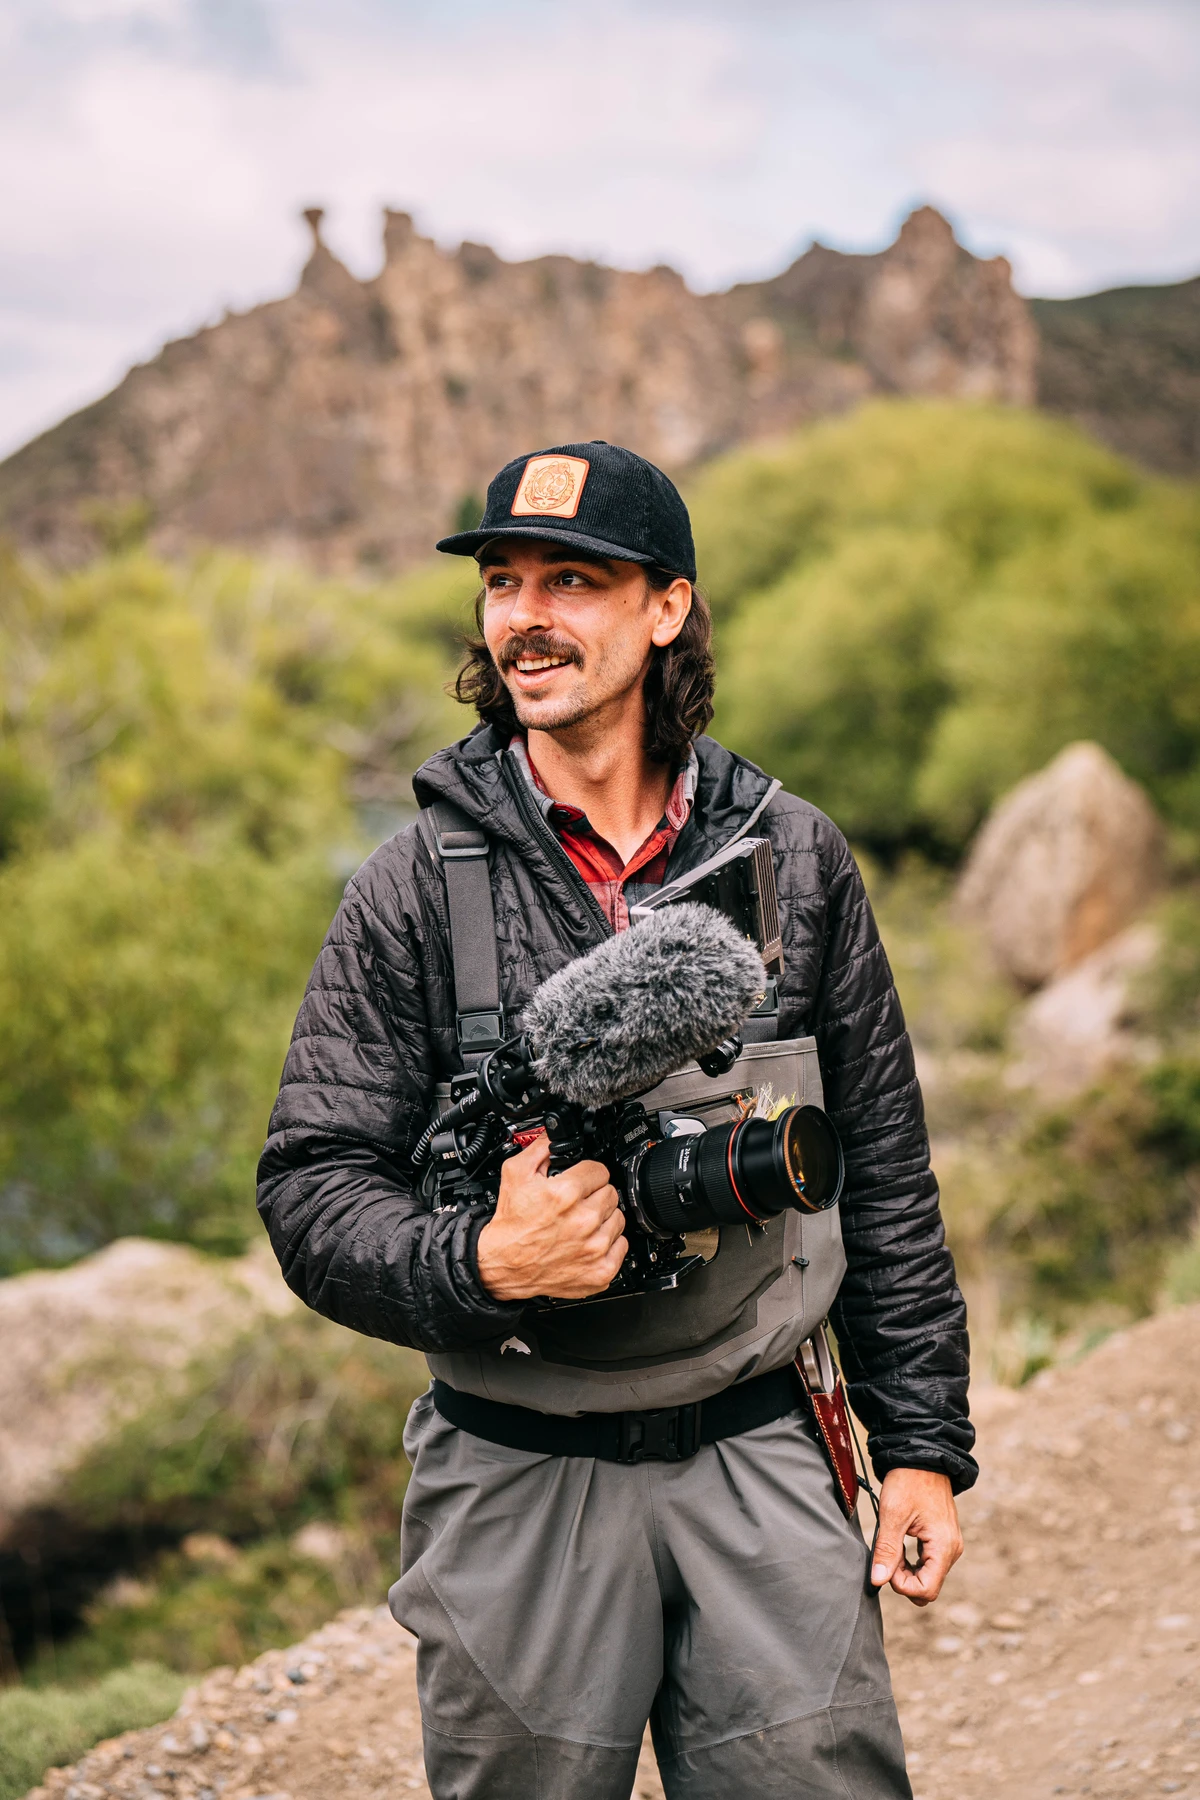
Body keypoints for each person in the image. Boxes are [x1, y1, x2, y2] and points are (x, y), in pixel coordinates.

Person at [257, 441, 976, 1799]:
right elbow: (309, 1188)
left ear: (667, 610)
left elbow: (881, 1171)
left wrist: (925, 1447)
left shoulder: (797, 858)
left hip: (768, 1447)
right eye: (505, 580)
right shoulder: (410, 890)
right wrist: (479, 1266)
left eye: (574, 580)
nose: (527, 614)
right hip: (518, 1476)